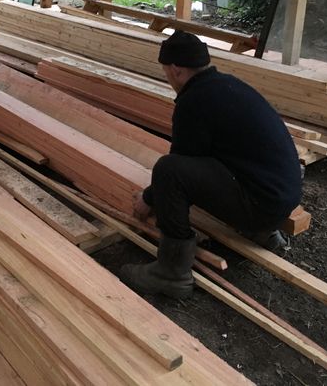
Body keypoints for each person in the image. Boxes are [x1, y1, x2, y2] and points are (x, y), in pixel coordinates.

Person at [120, 31, 303, 298]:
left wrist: (148, 199)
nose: (168, 78)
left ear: (176, 70)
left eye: (166, 72)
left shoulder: (193, 101)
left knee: (168, 170)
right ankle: (263, 233)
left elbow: (180, 163)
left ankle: (171, 273)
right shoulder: (228, 86)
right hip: (282, 198)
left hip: (261, 205)